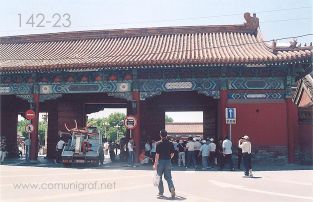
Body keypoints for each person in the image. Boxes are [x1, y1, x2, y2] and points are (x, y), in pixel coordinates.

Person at [153, 129, 175, 199]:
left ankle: (161, 192)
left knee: (159, 177)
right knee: (168, 177)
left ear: (160, 135)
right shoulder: (170, 143)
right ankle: (171, 188)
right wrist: (169, 159)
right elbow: (172, 154)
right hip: (168, 161)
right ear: (166, 135)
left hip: (161, 161)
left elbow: (157, 155)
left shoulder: (158, 143)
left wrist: (155, 163)